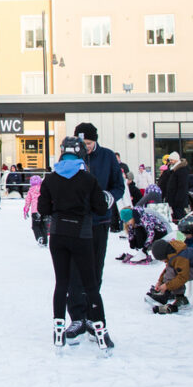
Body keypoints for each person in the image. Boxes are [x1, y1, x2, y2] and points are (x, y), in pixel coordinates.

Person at [36, 136, 110, 349]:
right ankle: (101, 330)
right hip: (82, 234)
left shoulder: (50, 179)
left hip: (58, 234)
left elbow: (43, 209)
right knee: (90, 285)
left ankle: (58, 329)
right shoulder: (88, 179)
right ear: (80, 154)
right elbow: (100, 208)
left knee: (62, 283)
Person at [63, 123, 124, 340]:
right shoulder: (69, 158)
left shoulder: (107, 157)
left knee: (95, 269)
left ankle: (91, 314)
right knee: (73, 270)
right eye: (82, 144)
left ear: (95, 140)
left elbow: (119, 186)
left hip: (99, 221)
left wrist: (109, 197)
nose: (86, 148)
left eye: (88, 143)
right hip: (75, 222)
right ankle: (77, 317)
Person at [146, 237, 193, 313]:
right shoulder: (172, 252)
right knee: (171, 269)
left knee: (175, 272)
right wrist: (160, 282)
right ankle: (169, 292)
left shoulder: (180, 257)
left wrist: (167, 286)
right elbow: (168, 268)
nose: (163, 261)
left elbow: (182, 277)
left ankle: (180, 298)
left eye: (161, 259)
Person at [22, 174, 46, 246]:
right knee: (43, 226)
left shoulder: (31, 190)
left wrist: (25, 211)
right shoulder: (43, 189)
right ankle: (45, 241)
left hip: (35, 211)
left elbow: (28, 201)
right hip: (43, 210)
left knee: (35, 226)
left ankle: (39, 237)